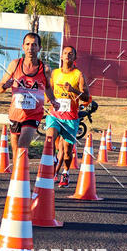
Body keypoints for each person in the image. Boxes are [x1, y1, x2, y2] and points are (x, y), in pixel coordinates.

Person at [0, 32, 58, 163]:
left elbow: (48, 87)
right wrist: (5, 86)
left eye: (34, 45)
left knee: (22, 146)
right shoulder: (15, 64)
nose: (30, 48)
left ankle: (21, 171)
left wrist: (53, 100)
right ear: (23, 47)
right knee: (16, 151)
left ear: (39, 48)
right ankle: (19, 172)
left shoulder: (45, 69)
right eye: (28, 44)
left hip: (33, 114)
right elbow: (0, 88)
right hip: (15, 113)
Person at [45, 44, 90, 187]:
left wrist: (73, 90)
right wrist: (48, 99)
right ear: (61, 56)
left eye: (71, 53)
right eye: (65, 53)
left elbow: (86, 97)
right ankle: (53, 160)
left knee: (67, 151)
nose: (67, 55)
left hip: (70, 117)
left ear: (75, 57)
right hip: (55, 114)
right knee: (50, 138)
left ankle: (65, 172)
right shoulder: (55, 73)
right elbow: (49, 89)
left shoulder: (78, 75)